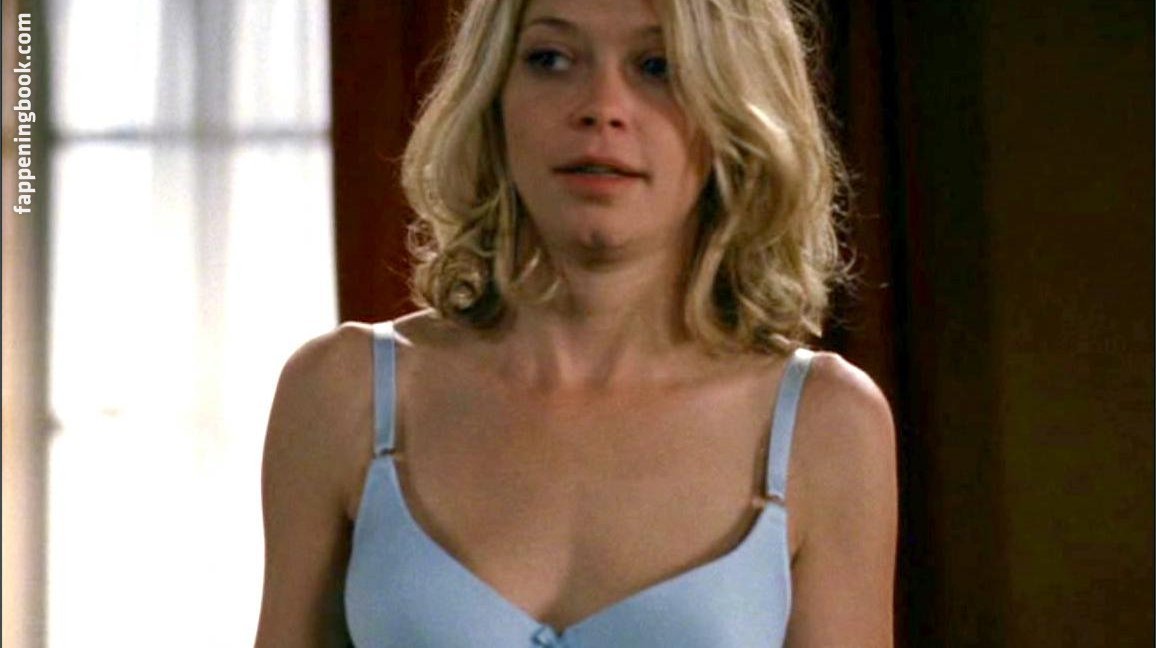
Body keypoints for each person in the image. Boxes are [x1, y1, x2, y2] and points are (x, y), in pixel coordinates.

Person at [255, 0, 897, 645]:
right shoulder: (342, 394)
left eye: (658, 67)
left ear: (734, 110)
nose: (601, 107)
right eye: (551, 59)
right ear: (493, 96)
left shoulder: (826, 425)